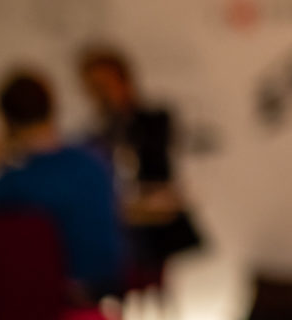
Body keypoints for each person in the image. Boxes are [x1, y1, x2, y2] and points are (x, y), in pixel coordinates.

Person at [0, 69, 125, 304]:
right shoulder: (93, 161)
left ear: (6, 122)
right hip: (109, 286)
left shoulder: (19, 182)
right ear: (53, 108)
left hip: (57, 297)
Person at [78, 41, 201, 289]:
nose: (100, 94)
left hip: (151, 227)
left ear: (123, 80)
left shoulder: (155, 119)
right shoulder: (94, 134)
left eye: (104, 85)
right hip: (117, 226)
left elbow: (154, 160)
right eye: (94, 87)